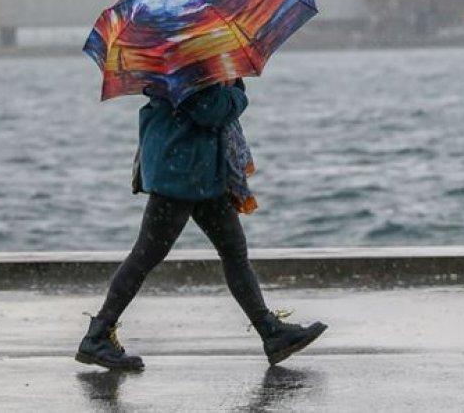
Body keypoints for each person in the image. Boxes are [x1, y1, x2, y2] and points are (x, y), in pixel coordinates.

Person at [75, 79, 327, 370]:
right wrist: (238, 92)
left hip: (198, 170)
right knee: (146, 255)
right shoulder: (189, 66)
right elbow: (210, 109)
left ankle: (271, 332)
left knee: (233, 252)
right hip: (181, 173)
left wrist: (228, 84)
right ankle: (98, 335)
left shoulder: (178, 63)